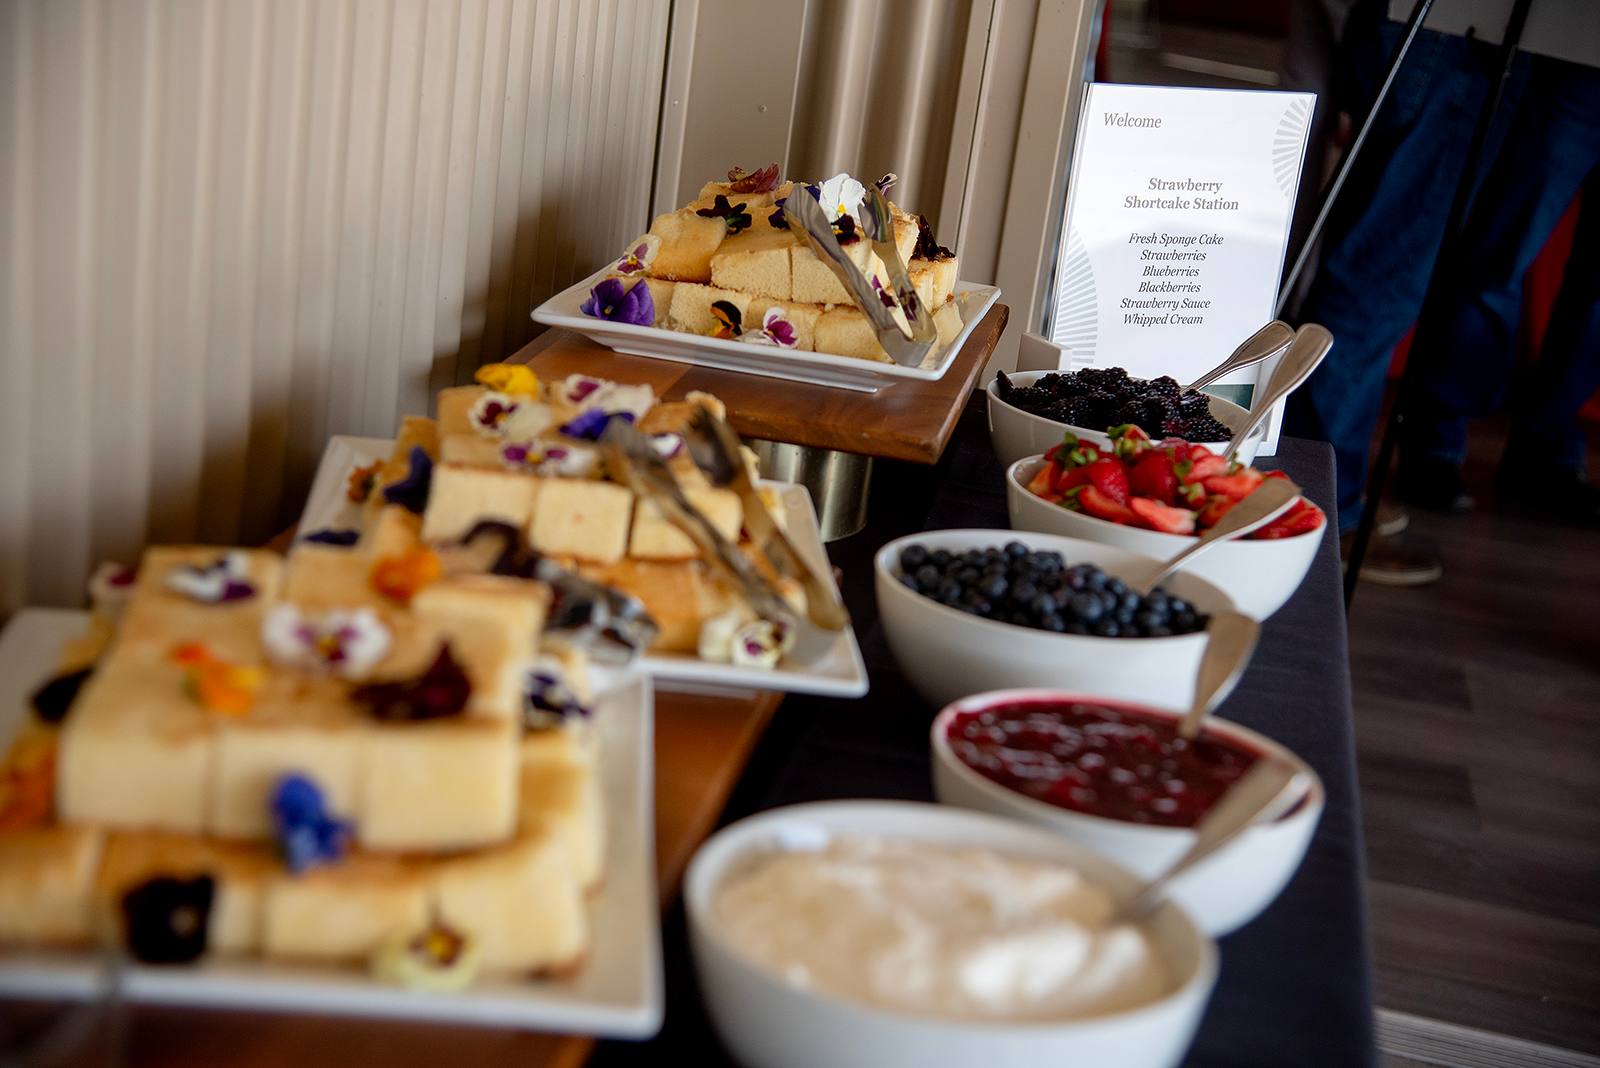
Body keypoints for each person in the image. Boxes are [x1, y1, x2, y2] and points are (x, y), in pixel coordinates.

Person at [1287, 1, 1600, 585]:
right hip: (1449, 24)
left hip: (1469, 28)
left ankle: (1327, 494)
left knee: (1382, 261)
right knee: (1379, 271)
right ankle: (1321, 510)